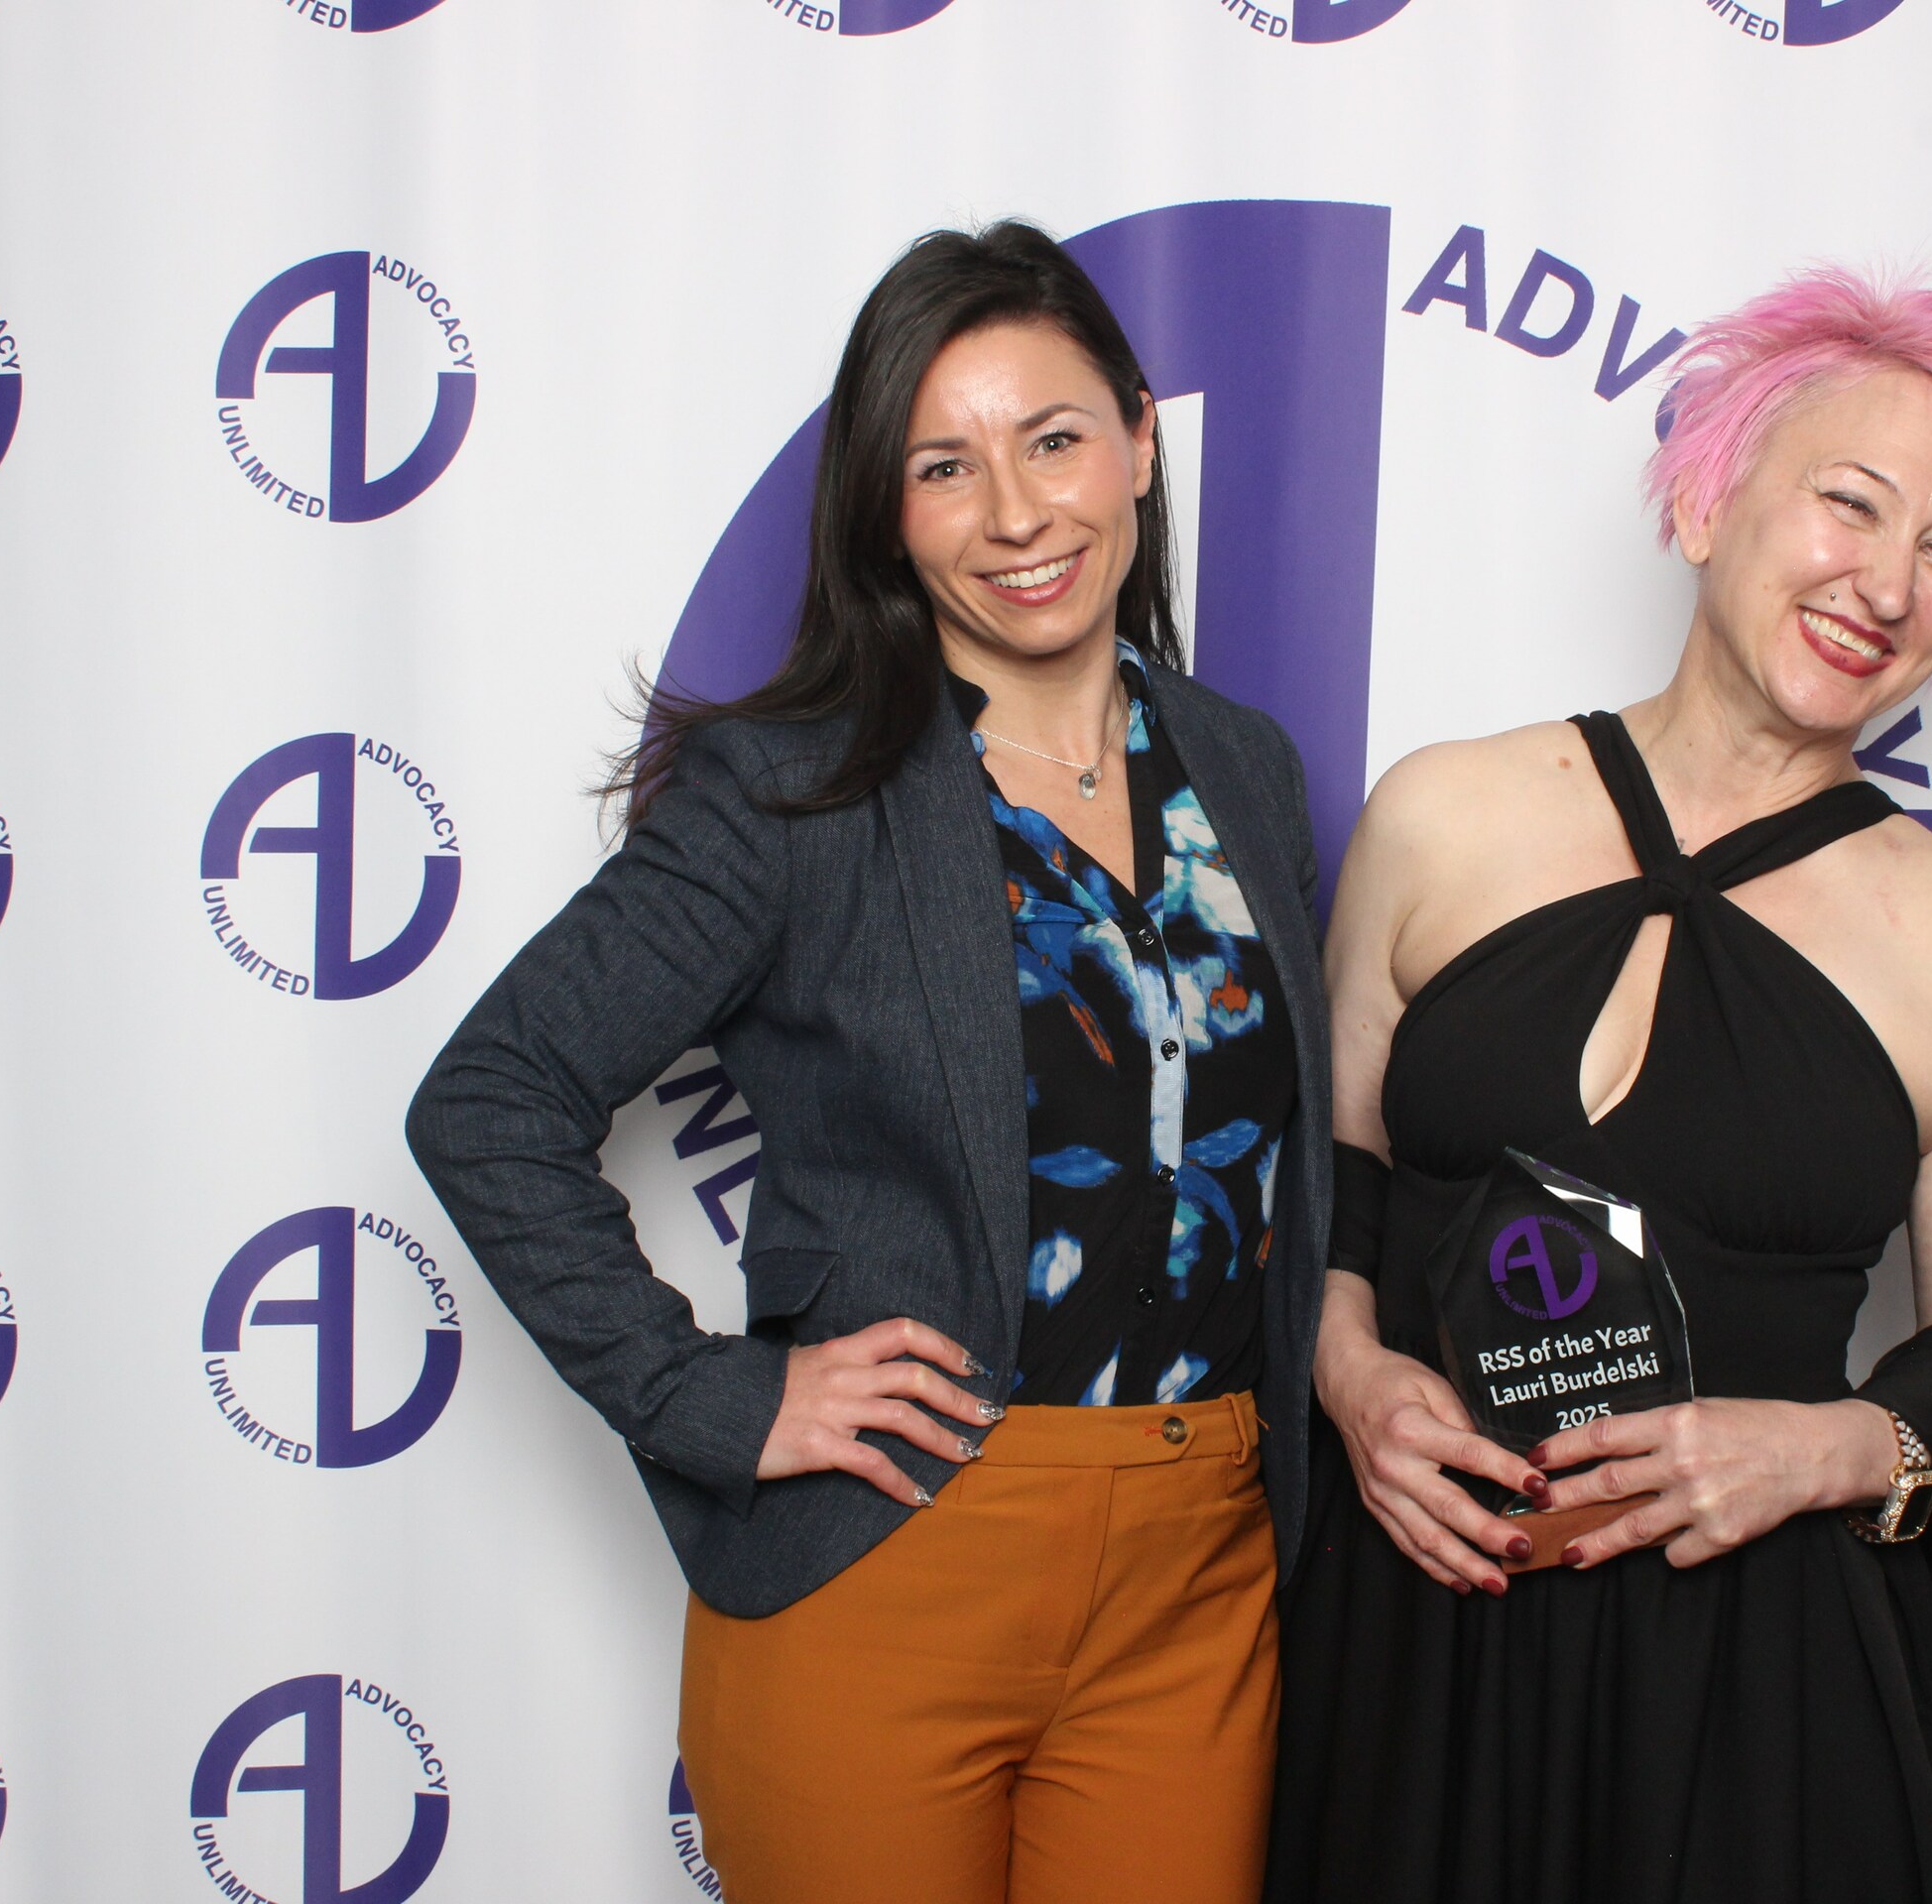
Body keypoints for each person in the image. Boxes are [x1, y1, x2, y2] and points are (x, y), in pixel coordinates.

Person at [407, 221, 1330, 1904]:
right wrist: (709, 1394)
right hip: (892, 1552)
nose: (1016, 513)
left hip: (1202, 1566)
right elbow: (490, 1098)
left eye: (1055, 439)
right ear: (886, 515)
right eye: (943, 467)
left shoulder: (1244, 770)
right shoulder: (794, 791)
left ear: (1140, 440)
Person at [1268, 268, 1932, 1904]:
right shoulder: (1439, 817)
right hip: (1425, 1634)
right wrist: (1351, 1379)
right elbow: (1333, 1193)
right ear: (1707, 502)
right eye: (1850, 504)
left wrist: (1820, 1452)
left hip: (1756, 1684)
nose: (1889, 585)